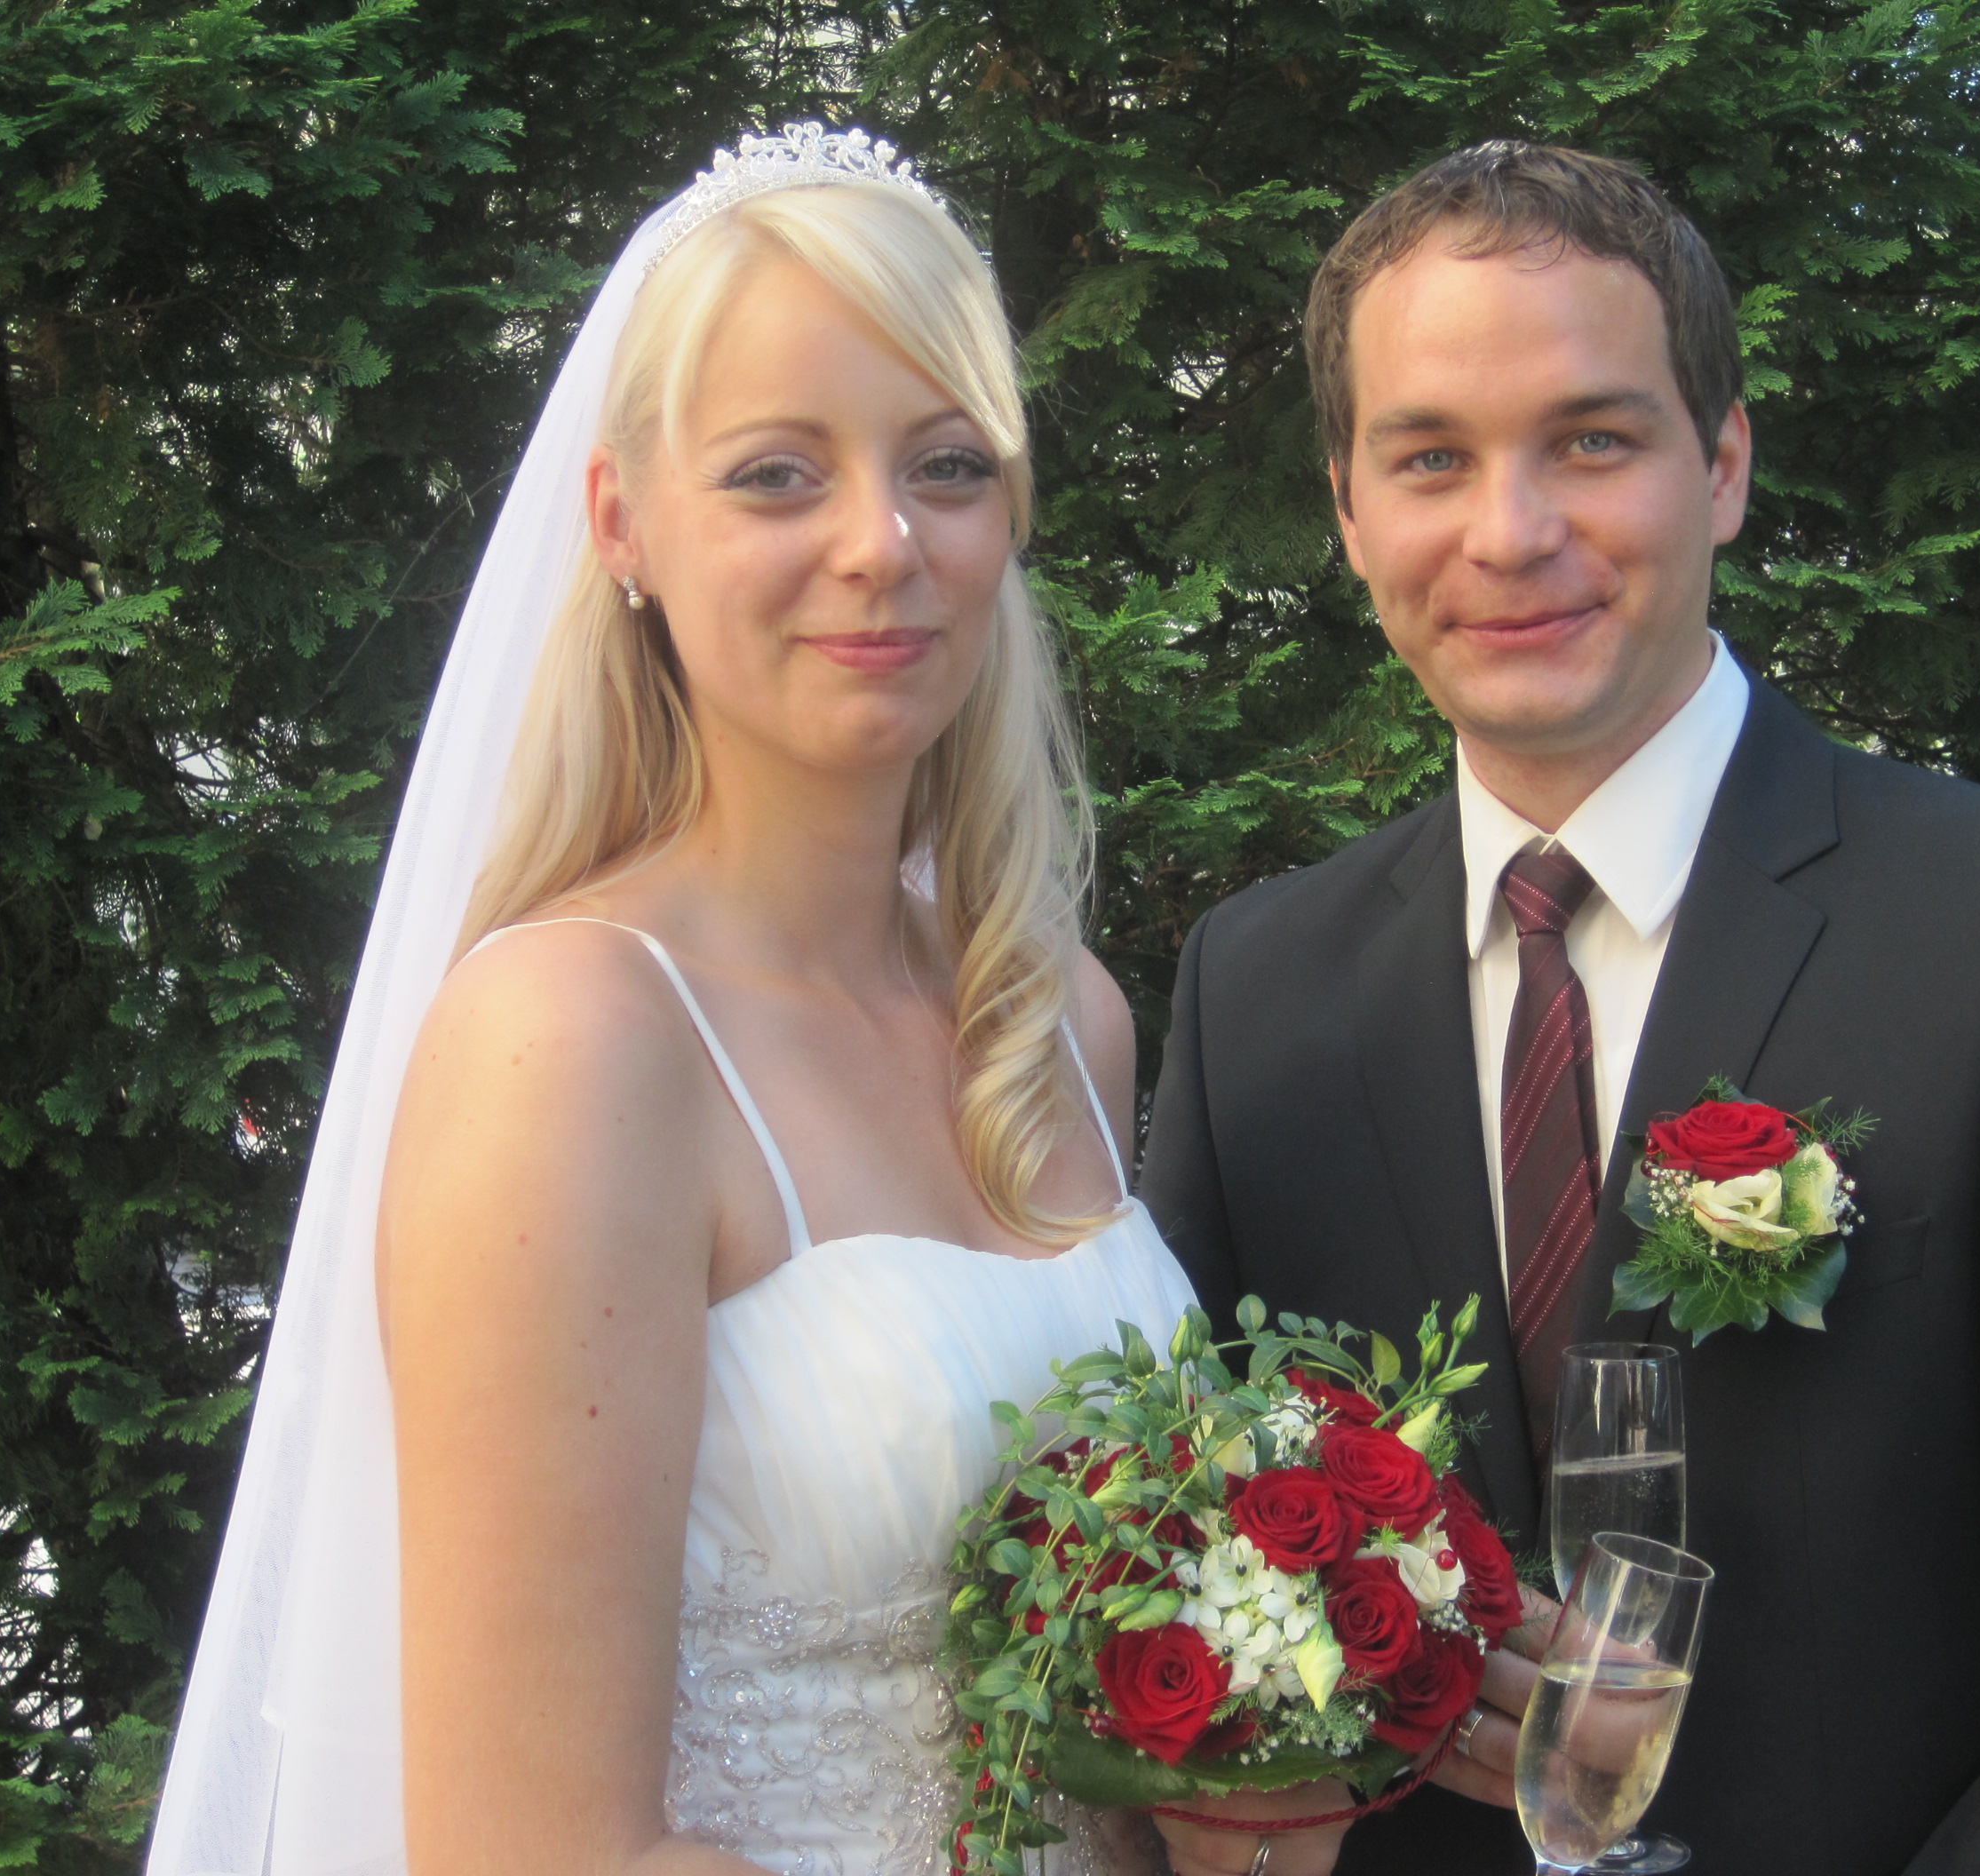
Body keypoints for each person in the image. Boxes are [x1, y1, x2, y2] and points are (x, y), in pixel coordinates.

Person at [1141, 142, 1980, 1875]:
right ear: (1349, 514)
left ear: (1720, 466)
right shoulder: (1254, 991)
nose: (1511, 532)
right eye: (1431, 458)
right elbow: (1195, 1572)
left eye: (1592, 440)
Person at [146, 126, 1203, 1876]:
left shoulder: (1058, 1022)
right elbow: (534, 1851)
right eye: (778, 475)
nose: (882, 542)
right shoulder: (574, 1046)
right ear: (622, 522)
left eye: (946, 464)